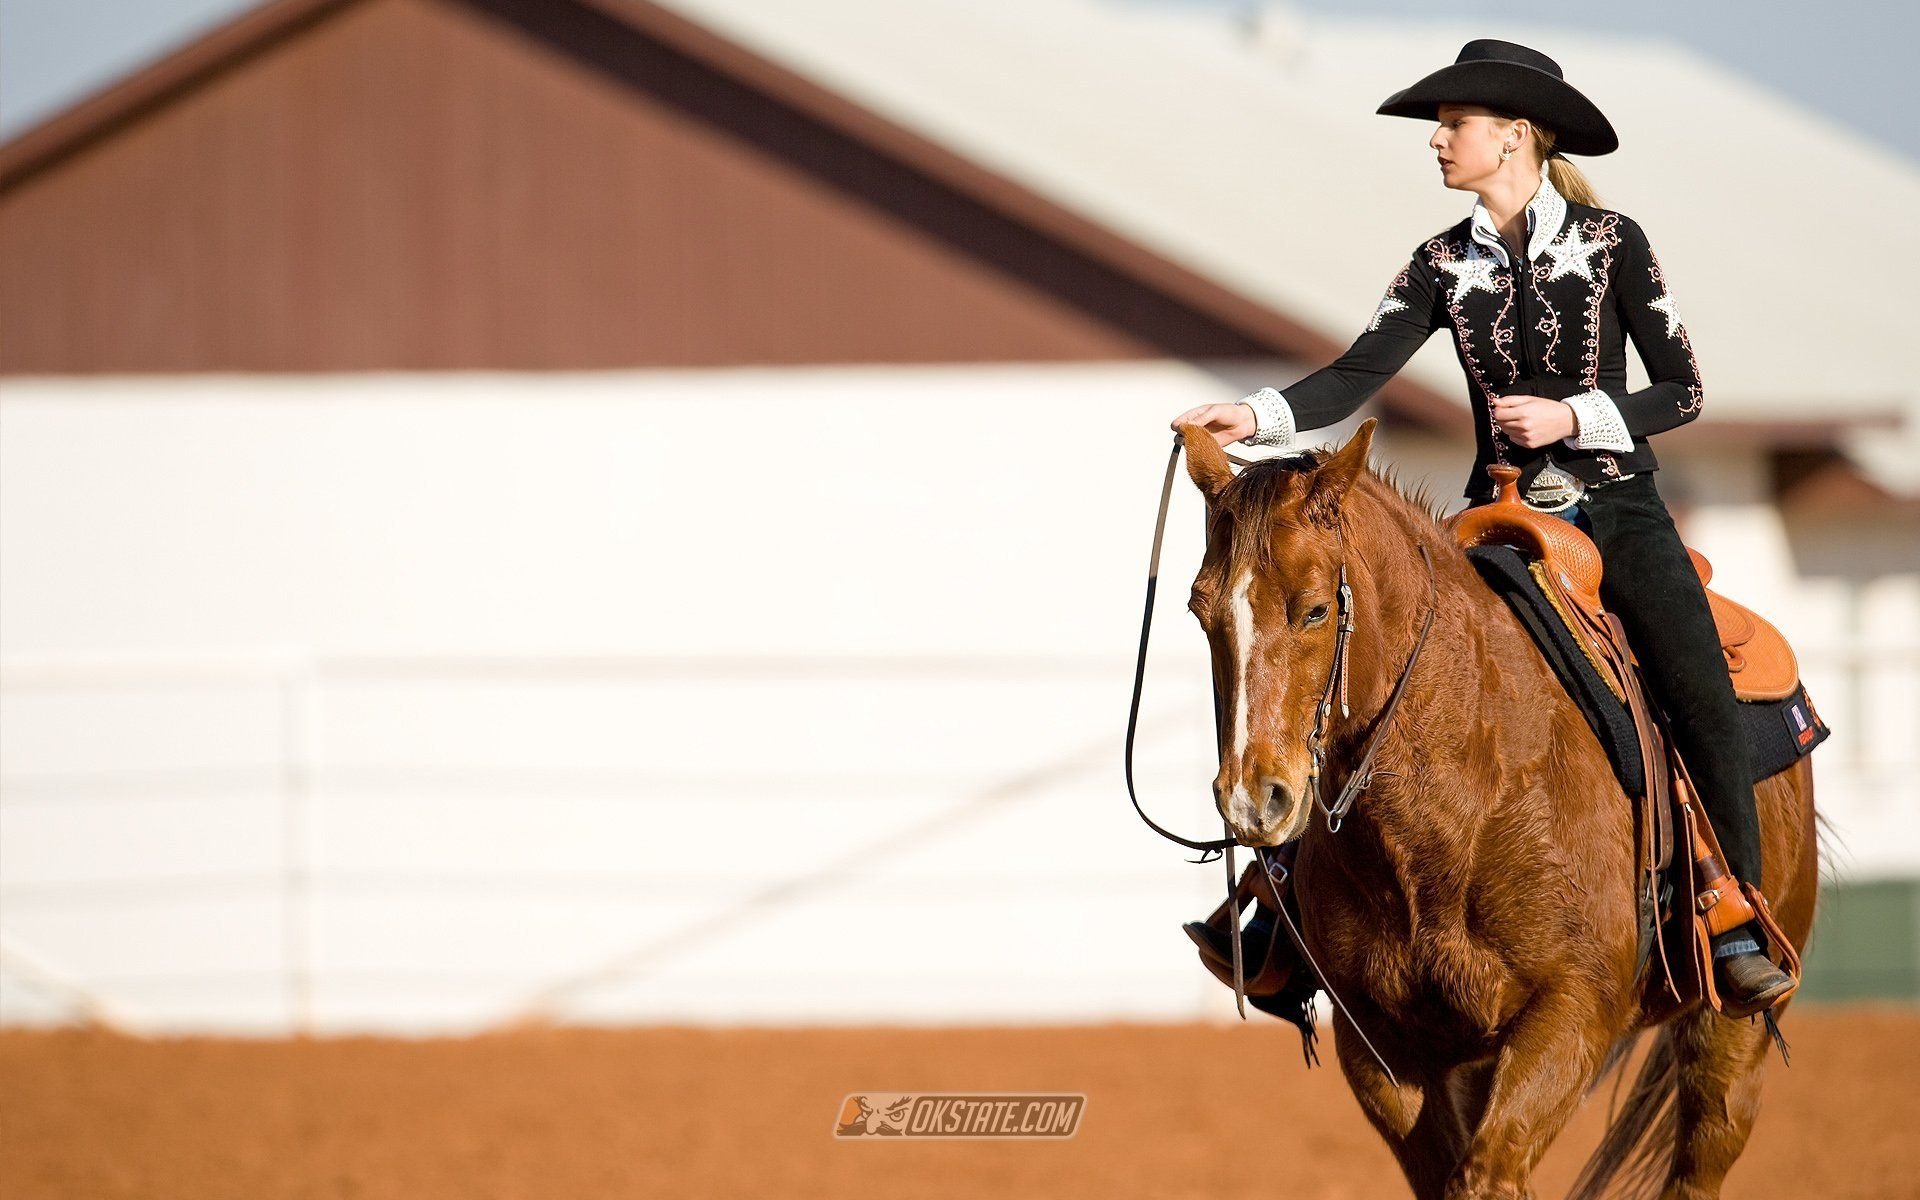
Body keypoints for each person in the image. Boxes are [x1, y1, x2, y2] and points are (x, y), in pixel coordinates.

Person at [1170, 40, 1795, 1012]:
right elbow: (1355, 373)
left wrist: (1574, 417)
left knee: (1697, 683)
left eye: (1452, 124)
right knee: (1371, 671)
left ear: (1514, 136)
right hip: (1495, 511)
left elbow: (1683, 390)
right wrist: (1253, 417)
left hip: (1617, 504)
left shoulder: (1612, 241)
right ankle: (1288, 904)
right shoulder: (1442, 260)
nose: (1437, 141)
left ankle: (1731, 911)